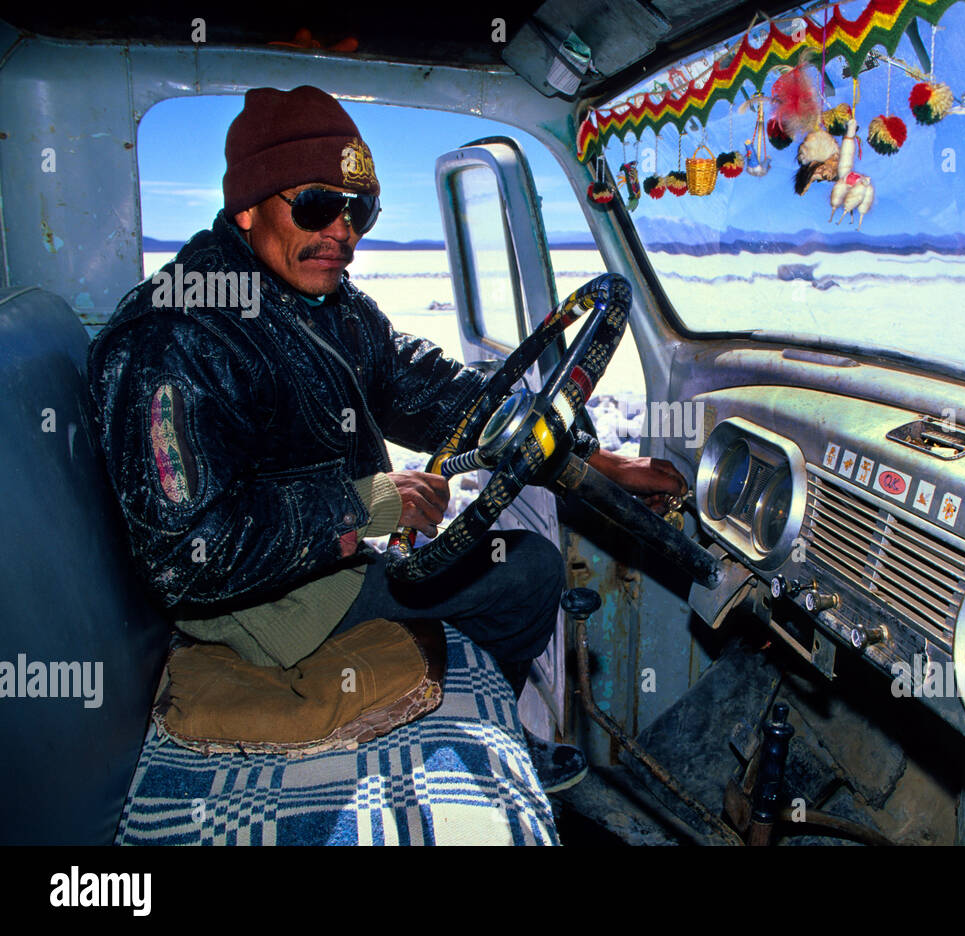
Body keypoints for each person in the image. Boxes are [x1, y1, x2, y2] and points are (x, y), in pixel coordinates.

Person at [86, 85, 687, 793]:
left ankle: (474, 714)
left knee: (511, 564)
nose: (340, 232)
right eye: (315, 206)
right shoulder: (176, 333)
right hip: (266, 617)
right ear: (247, 206)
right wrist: (364, 505)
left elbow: (438, 394)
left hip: (315, 574)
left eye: (357, 212)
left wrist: (600, 462)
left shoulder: (324, 305)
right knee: (529, 576)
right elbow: (184, 556)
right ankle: (486, 738)